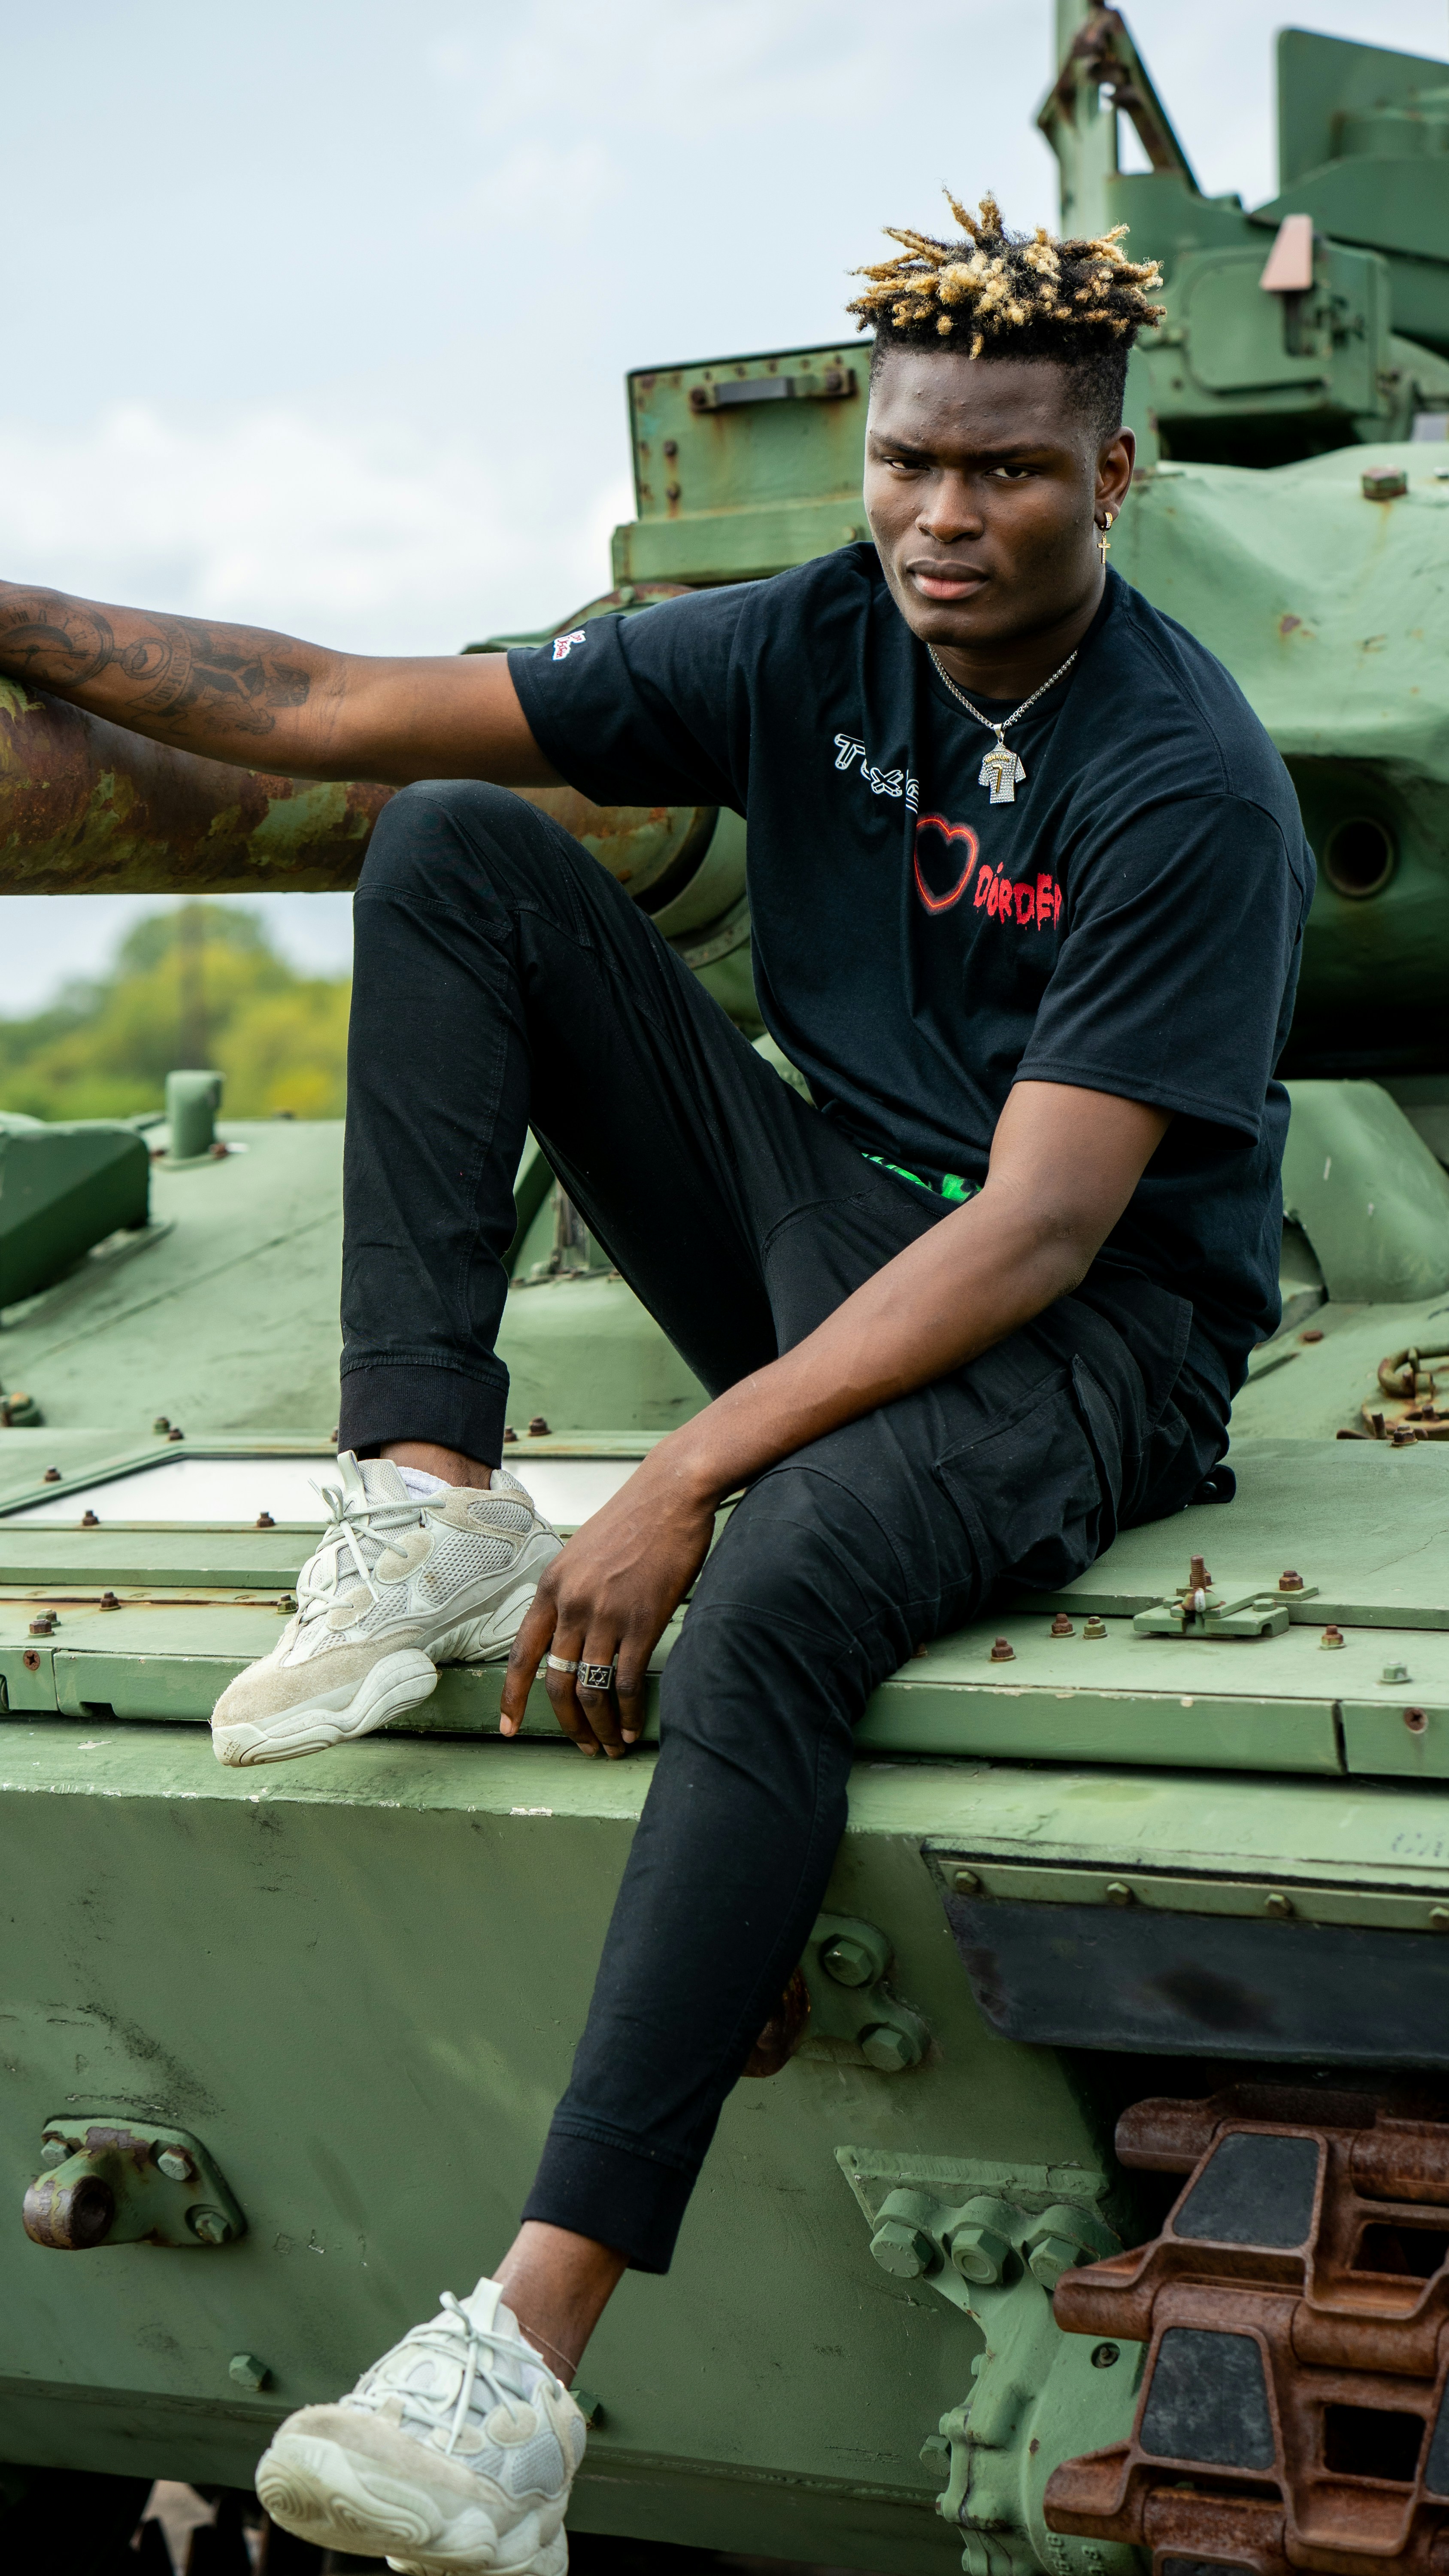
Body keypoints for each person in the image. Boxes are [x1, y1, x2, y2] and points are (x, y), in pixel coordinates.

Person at [0, 194, 1312, 2576]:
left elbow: (1040, 1228)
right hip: (837, 1233)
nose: (942, 515)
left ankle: (516, 2369)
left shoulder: (1185, 781)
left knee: (782, 1585)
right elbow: (341, 714)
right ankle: (424, 1493)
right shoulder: (819, 640)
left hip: (1086, 1341)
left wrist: (685, 1473)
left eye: (1008, 470)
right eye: (910, 460)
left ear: (1110, 478)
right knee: (457, 848)